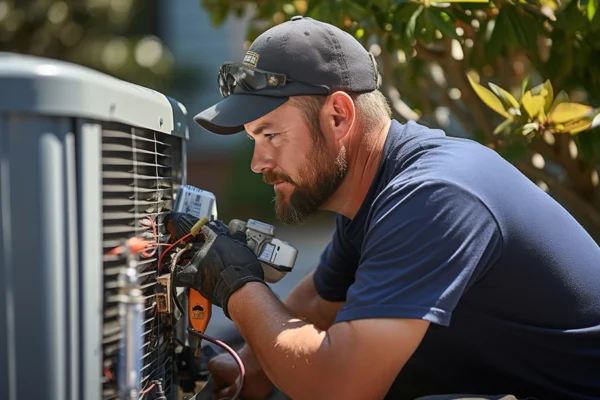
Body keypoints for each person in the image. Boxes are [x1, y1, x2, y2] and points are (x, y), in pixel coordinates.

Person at [175, 16, 600, 400]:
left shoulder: (432, 195)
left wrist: (238, 287)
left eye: (271, 135)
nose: (258, 163)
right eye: (254, 139)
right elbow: (318, 304)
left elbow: (342, 389)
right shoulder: (374, 191)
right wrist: (246, 365)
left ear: (339, 116)